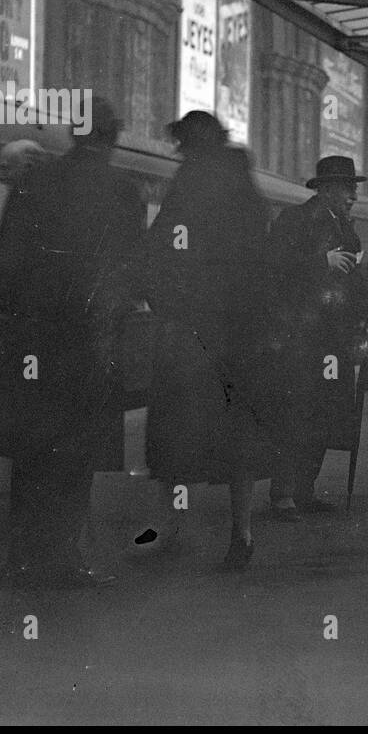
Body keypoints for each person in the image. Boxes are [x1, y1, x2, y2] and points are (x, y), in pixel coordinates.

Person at [0, 97, 142, 588]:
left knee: (33, 448)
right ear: (113, 135)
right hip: (90, 340)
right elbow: (131, 271)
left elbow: (7, 263)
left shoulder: (35, 180)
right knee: (76, 454)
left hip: (35, 338)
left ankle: (22, 558)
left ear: (75, 133)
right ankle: (66, 557)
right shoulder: (123, 190)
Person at [139, 111, 274, 570]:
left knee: (175, 439)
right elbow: (261, 265)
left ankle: (171, 529)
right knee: (238, 440)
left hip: (191, 333)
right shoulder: (248, 190)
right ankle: (242, 533)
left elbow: (160, 249)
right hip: (240, 337)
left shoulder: (190, 183)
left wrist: (163, 304)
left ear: (190, 145)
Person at [259, 155, 368, 521]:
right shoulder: (296, 220)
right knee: (295, 414)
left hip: (333, 339)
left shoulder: (347, 228)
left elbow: (352, 279)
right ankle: (283, 495)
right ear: (325, 189)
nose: (353, 195)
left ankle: (305, 490)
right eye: (347, 188)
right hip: (302, 339)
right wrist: (321, 263)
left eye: (354, 188)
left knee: (323, 415)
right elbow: (272, 268)